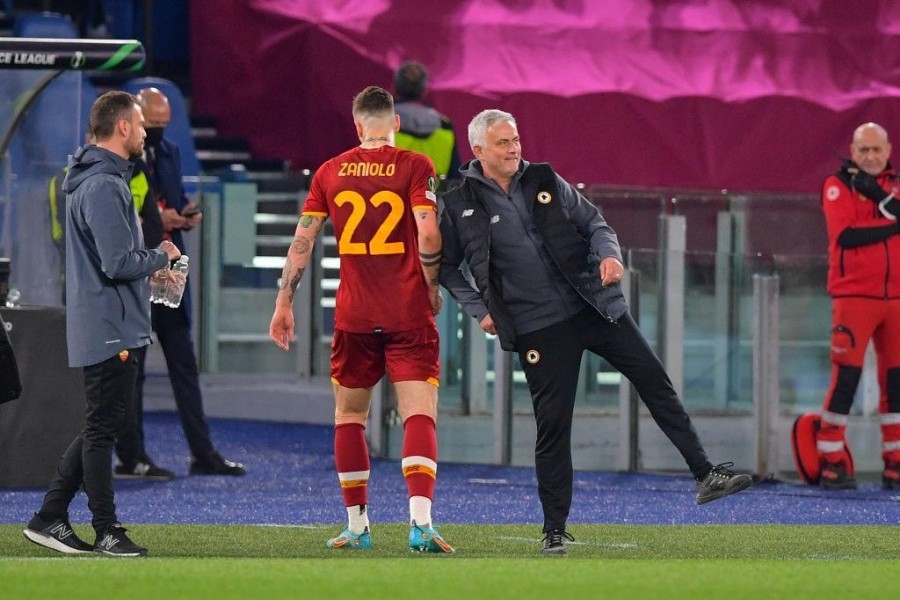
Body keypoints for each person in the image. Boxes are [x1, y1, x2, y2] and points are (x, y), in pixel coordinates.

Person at [439, 109, 753, 556]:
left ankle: (705, 475)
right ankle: (553, 531)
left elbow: (595, 223)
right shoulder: (458, 202)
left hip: (594, 306)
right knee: (553, 428)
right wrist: (478, 309)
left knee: (655, 381)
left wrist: (610, 255)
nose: (514, 149)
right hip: (537, 328)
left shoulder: (546, 178)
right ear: (478, 151)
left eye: (516, 139)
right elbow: (447, 268)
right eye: (504, 143)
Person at [269, 85, 453, 553]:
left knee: (349, 416)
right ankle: (420, 524)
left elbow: (302, 242)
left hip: (354, 313)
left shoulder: (330, 172)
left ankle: (356, 527)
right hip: (407, 310)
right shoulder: (415, 165)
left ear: (356, 125)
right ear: (395, 123)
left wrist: (284, 302)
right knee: (418, 413)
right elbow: (428, 230)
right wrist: (431, 285)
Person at [23, 91, 181, 557]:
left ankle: (49, 517)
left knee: (99, 425)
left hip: (108, 320)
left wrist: (146, 263)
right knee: (101, 429)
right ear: (123, 128)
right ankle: (107, 529)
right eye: (139, 122)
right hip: (111, 323)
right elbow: (116, 262)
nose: (146, 131)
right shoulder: (104, 185)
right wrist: (160, 256)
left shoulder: (96, 179)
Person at [114, 87, 246, 480]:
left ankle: (202, 452)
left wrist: (182, 215)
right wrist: (159, 218)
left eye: (162, 126)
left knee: (183, 365)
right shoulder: (121, 156)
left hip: (168, 272)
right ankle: (131, 455)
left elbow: (172, 199)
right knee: (131, 368)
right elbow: (125, 208)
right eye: (150, 126)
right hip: (137, 270)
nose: (153, 133)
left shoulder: (167, 152)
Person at [817, 122, 900, 491]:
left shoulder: (894, 186)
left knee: (896, 384)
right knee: (846, 380)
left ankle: (895, 462)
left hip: (897, 299)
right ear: (852, 151)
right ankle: (831, 460)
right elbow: (846, 236)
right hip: (854, 297)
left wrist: (880, 201)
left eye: (876, 149)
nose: (869, 156)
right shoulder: (836, 185)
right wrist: (896, 223)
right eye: (863, 150)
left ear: (888, 150)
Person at [393, 61, 461, 184]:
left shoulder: (379, 125)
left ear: (396, 88)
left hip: (388, 200)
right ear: (424, 90)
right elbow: (455, 180)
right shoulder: (444, 128)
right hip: (432, 200)